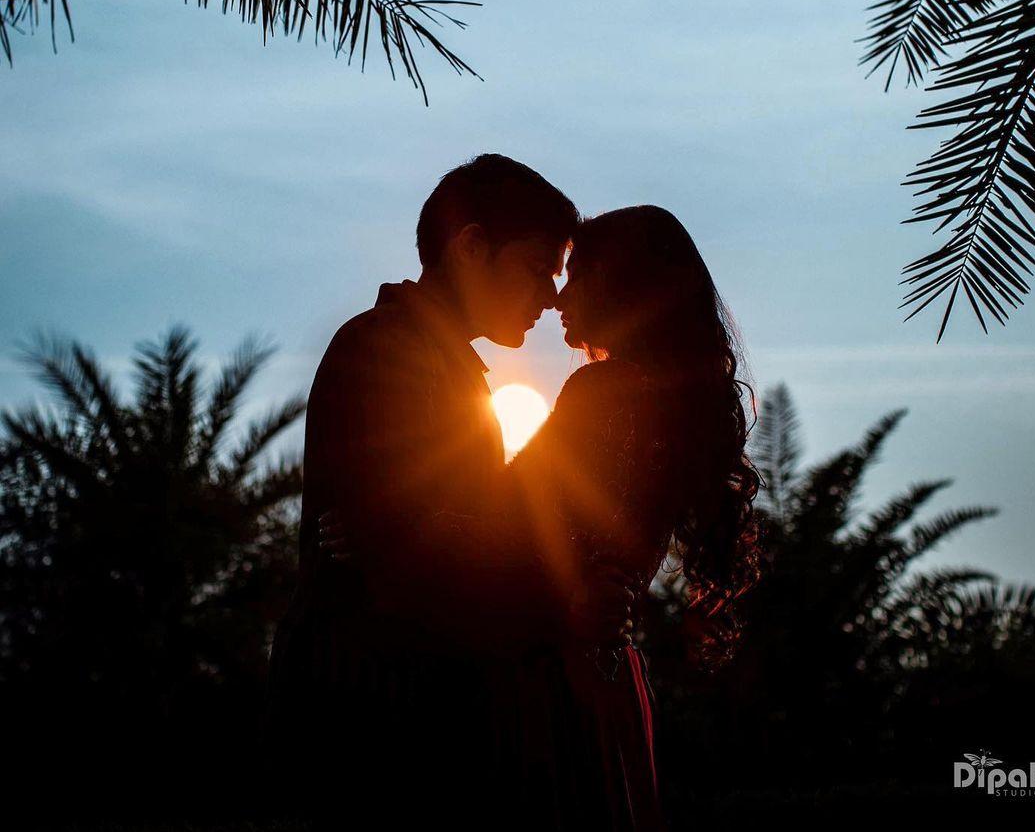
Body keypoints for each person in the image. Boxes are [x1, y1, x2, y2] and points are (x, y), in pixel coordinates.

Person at [317, 203, 761, 829]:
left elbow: (519, 529)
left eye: (578, 274)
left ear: (625, 285)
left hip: (550, 681)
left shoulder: (603, 395)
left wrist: (385, 523)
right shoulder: (674, 405)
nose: (558, 297)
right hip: (607, 676)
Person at [267, 155, 633, 829]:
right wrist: (565, 597)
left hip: (415, 708)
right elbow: (415, 545)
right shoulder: (388, 350)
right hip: (375, 718)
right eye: (538, 270)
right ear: (470, 247)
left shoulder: (441, 363)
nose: (552, 297)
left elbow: (441, 532)